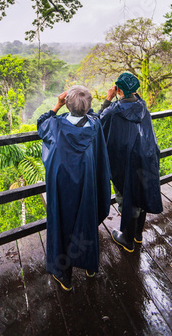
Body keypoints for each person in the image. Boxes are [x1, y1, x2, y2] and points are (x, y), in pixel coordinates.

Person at [37, 85, 111, 291]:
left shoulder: (55, 125)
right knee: (86, 219)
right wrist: (101, 101)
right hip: (87, 183)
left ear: (66, 105)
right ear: (88, 108)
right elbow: (95, 115)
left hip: (62, 186)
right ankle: (89, 265)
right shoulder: (94, 126)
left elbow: (41, 123)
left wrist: (57, 105)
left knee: (62, 223)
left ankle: (64, 275)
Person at [99, 72, 163, 252]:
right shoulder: (142, 106)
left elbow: (97, 122)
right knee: (141, 192)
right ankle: (137, 234)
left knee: (125, 196)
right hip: (146, 158)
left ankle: (127, 239)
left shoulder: (114, 110)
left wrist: (108, 98)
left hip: (124, 162)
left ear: (118, 89)